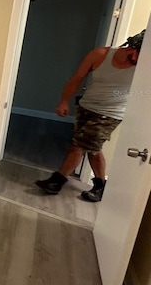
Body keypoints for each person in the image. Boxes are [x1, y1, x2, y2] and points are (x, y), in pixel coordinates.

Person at [35, 29, 145, 202]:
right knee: (93, 149)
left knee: (78, 145)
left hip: (110, 113)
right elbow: (76, 78)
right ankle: (101, 185)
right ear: (132, 48)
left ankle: (56, 182)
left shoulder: (145, 67)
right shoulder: (100, 55)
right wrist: (63, 101)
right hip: (86, 107)